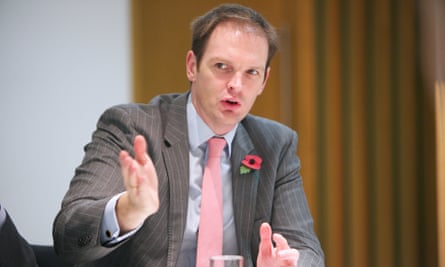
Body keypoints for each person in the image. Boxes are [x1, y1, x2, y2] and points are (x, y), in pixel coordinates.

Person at [53, 3, 324, 267]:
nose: (236, 85)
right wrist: (127, 211)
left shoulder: (275, 144)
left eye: (251, 72)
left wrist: (289, 264)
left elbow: (306, 248)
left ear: (264, 80)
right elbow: (68, 237)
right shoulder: (132, 128)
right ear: (192, 66)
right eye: (222, 67)